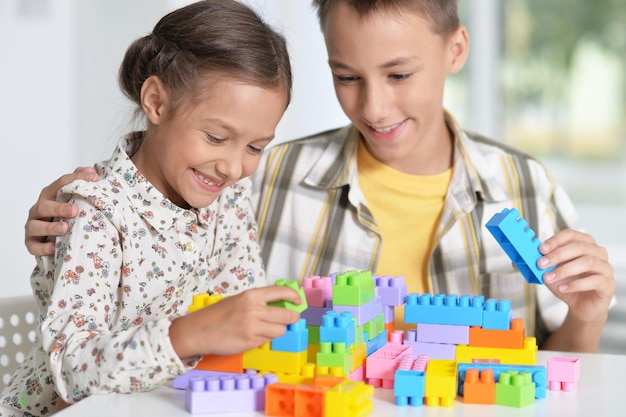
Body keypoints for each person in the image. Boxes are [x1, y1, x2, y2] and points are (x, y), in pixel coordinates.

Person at [24, 0, 614, 358]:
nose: (375, 107)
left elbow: (559, 372)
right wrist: (74, 217)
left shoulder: (524, 185)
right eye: (346, 76)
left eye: (400, 73)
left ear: (456, 49)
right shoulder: (258, 175)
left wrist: (587, 313)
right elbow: (156, 222)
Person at [1, 1, 302, 416]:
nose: (234, 167)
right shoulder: (96, 211)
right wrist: (189, 334)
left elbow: (240, 310)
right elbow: (71, 369)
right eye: (216, 137)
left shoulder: (228, 198)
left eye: (254, 147)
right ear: (157, 102)